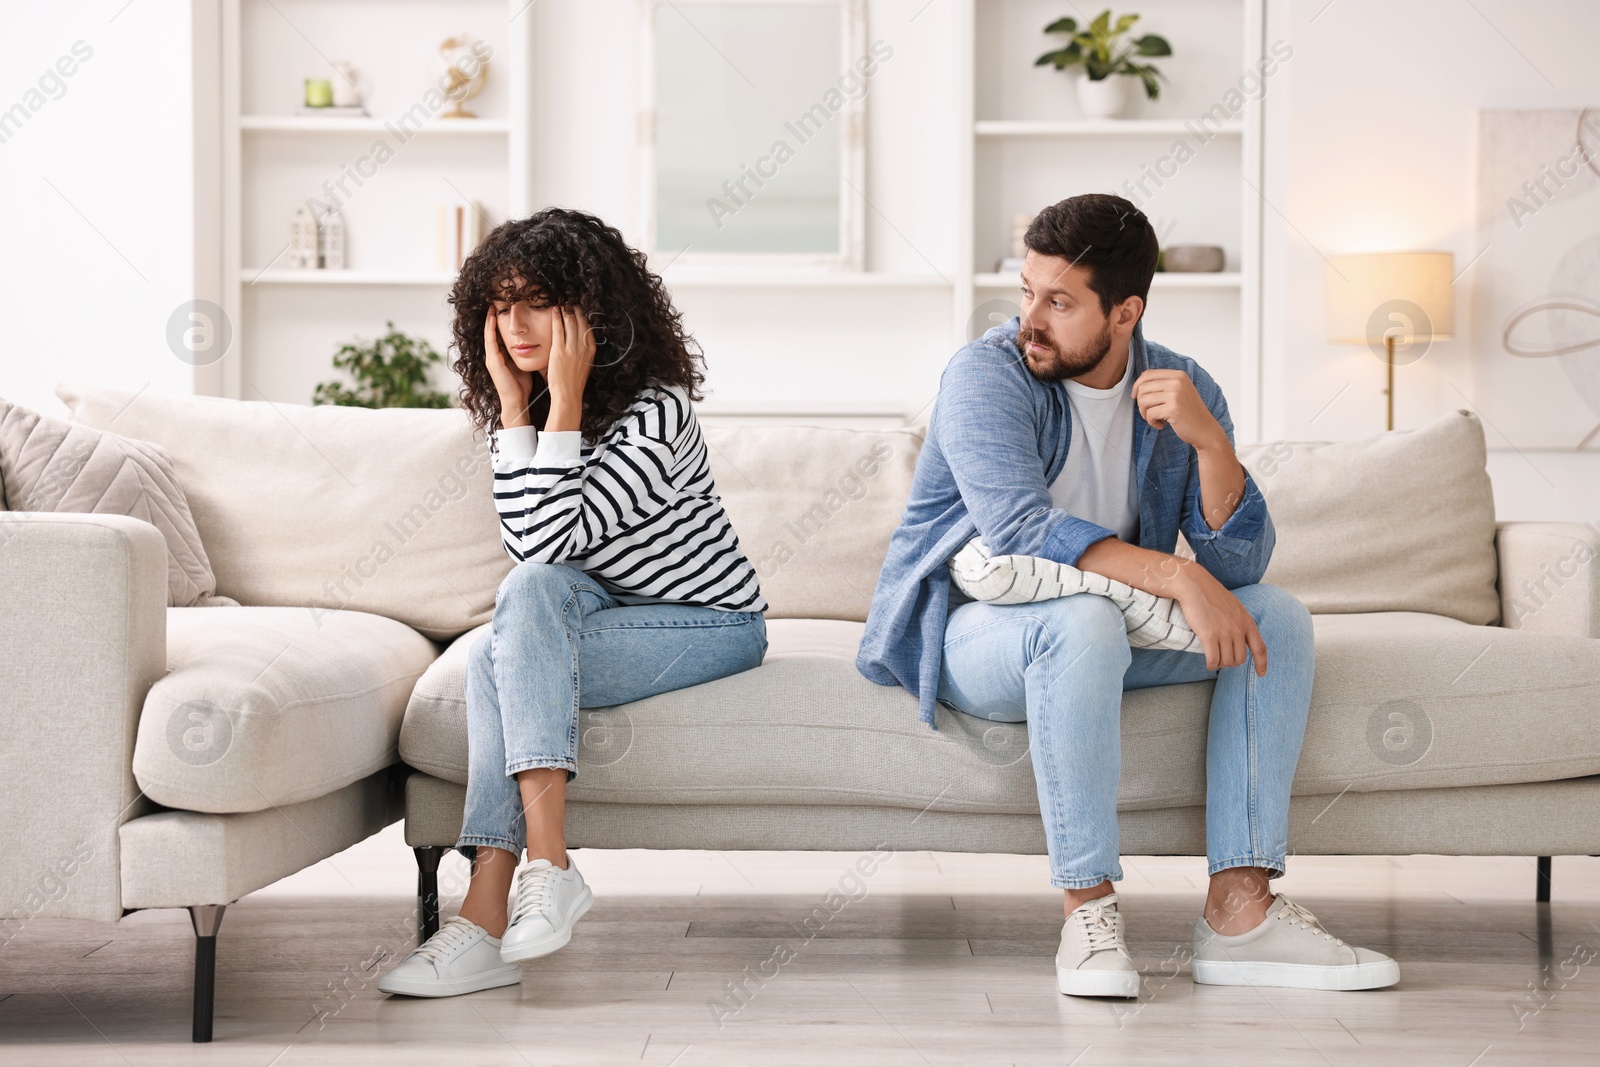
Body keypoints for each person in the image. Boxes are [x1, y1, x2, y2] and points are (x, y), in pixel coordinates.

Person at [856, 193, 1399, 997]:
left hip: (1105, 633)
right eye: (1027, 292)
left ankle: (1240, 915)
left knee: (1273, 616)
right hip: (979, 633)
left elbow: (1240, 560)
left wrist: (1210, 443)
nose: (1029, 319)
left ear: (1125, 312)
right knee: (1082, 621)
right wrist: (1177, 574)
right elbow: (1016, 526)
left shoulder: (1184, 389)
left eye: (1060, 302)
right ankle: (1087, 912)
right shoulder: (986, 374)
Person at [378, 207, 769, 998]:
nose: (516, 324)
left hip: (710, 622)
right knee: (512, 625)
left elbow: (551, 543)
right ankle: (522, 886)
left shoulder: (658, 416)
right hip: (593, 608)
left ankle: (504, 897)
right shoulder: (512, 417)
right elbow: (535, 565)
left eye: (536, 301)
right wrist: (517, 410)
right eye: (499, 305)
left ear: (590, 311)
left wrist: (556, 402)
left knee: (499, 653)